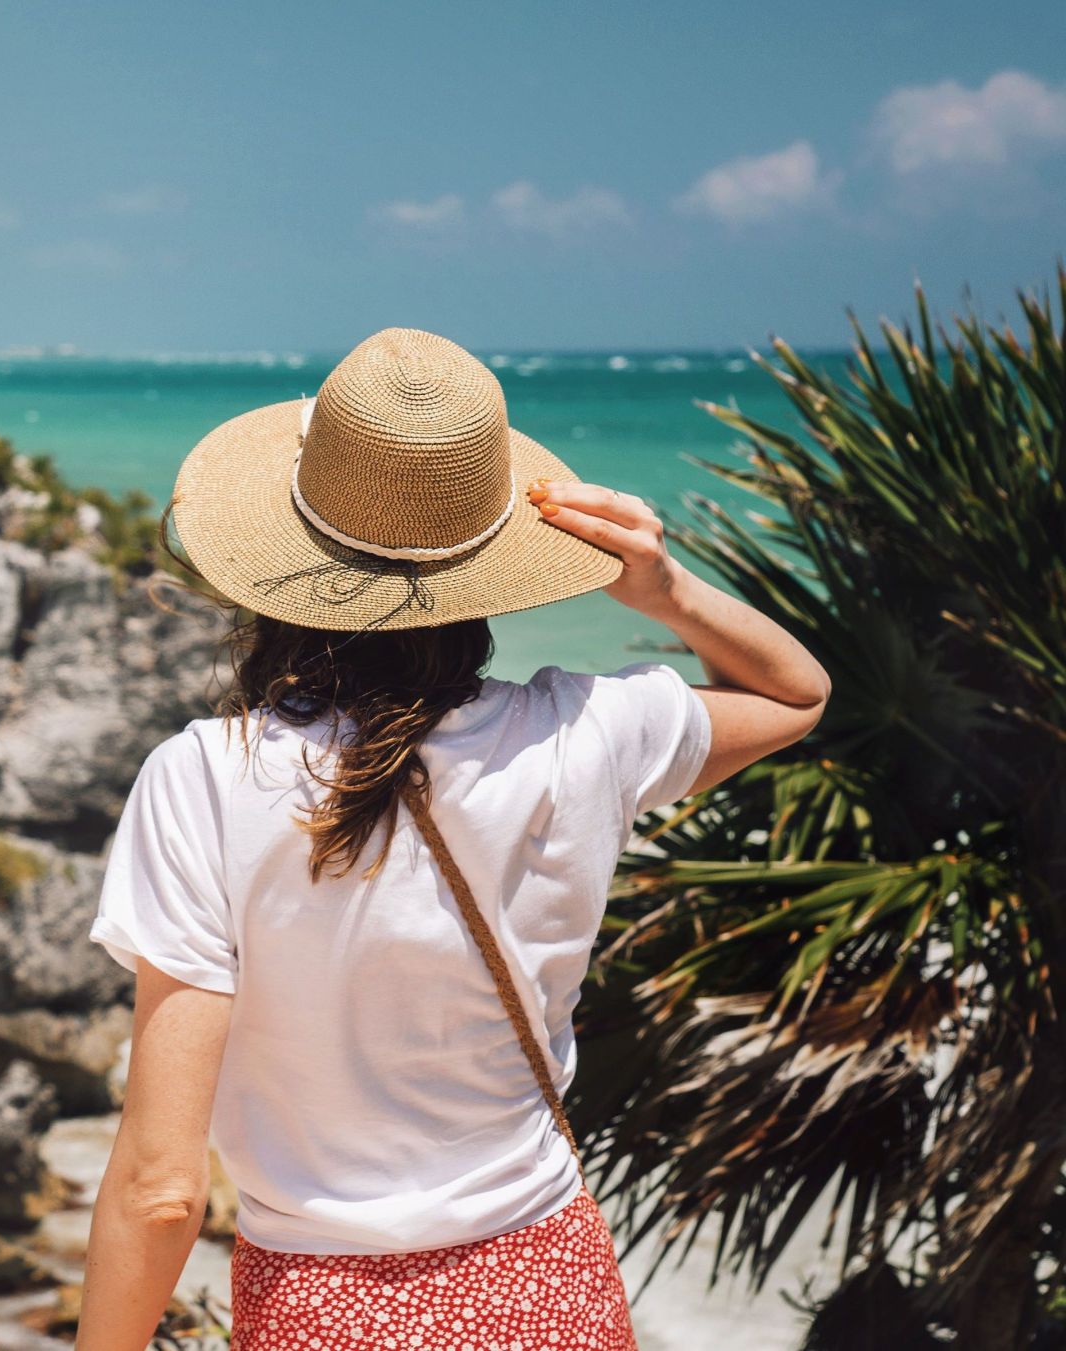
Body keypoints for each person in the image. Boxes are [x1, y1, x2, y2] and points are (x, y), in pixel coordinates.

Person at [72, 328, 831, 1349]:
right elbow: (797, 694)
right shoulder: (586, 733)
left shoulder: (205, 778)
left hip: (319, 1306)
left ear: (286, 564)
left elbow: (164, 1190)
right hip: (547, 1285)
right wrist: (663, 590)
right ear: (487, 562)